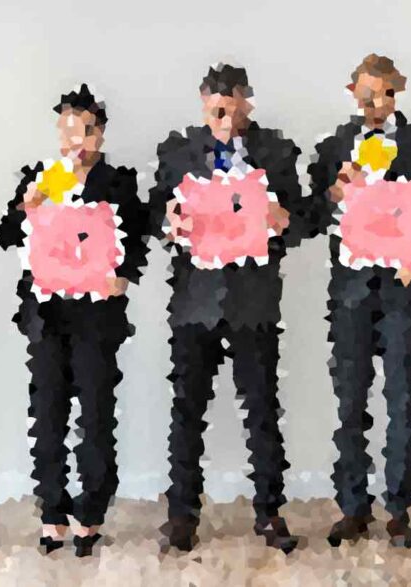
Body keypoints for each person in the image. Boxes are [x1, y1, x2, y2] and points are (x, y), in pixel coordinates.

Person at [150, 63, 317, 554]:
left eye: (233, 109)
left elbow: (305, 219)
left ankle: (270, 512)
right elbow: (153, 214)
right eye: (216, 111)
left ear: (248, 104)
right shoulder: (177, 151)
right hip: (195, 301)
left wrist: (285, 220)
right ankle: (181, 515)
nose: (224, 119)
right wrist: (169, 222)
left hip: (254, 301)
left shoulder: (277, 151)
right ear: (204, 105)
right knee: (187, 411)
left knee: (262, 409)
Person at [0, 84, 149, 557]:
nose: (75, 142)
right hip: (46, 315)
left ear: (100, 134)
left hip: (97, 315)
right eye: (67, 131)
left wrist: (125, 275)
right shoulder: (40, 176)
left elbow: (138, 237)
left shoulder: (118, 182)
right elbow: (5, 234)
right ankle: (52, 512)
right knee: (47, 415)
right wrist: (26, 205)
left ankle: (91, 513)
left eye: (85, 131)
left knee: (97, 414)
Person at [308, 54, 411, 548]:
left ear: (398, 91)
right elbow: (310, 217)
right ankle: (352, 507)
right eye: (368, 95)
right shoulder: (332, 147)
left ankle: (398, 510)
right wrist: (333, 191)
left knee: (402, 400)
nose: (376, 104)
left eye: (386, 93)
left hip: (402, 290)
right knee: (350, 401)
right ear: (352, 93)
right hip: (349, 291)